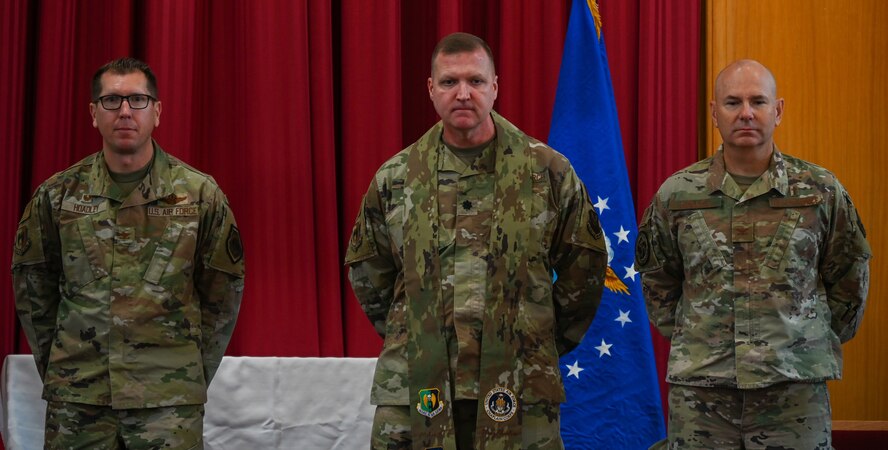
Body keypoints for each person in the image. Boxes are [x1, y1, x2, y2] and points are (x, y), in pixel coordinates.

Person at [345, 32, 607, 450]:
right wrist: (417, 332)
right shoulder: (396, 178)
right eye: (449, 82)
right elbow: (369, 275)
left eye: (476, 81)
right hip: (418, 386)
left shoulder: (547, 172)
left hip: (521, 385)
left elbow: (586, 271)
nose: (463, 93)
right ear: (431, 89)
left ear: (495, 86)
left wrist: (535, 339)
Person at [11, 57, 245, 449]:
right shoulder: (58, 195)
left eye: (137, 100)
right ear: (93, 113)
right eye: (111, 100)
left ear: (157, 111)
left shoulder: (200, 196)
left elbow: (222, 293)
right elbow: (33, 289)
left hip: (167, 405)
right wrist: (65, 366)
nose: (124, 111)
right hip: (79, 401)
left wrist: (186, 372)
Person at [636, 59, 870, 449]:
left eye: (757, 101)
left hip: (793, 393)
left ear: (777, 110)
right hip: (702, 396)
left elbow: (850, 279)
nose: (746, 113)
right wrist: (700, 338)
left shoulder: (821, 192)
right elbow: (658, 281)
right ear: (714, 113)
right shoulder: (677, 195)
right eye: (732, 102)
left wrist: (802, 342)